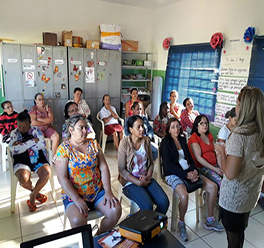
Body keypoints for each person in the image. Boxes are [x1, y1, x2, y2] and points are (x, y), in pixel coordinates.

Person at [55, 114, 121, 234]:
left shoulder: (93, 144)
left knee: (115, 211)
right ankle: (86, 243)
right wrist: (76, 198)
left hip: (96, 191)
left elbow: (104, 167)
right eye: (81, 128)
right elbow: (62, 178)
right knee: (77, 220)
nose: (85, 131)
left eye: (86, 127)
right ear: (71, 130)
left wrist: (108, 191)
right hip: (74, 193)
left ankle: (98, 237)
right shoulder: (63, 149)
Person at [215, 86, 264, 248]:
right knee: (239, 232)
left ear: (244, 108)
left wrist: (221, 151)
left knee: (233, 240)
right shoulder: (260, 132)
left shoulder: (239, 135)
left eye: (237, 104)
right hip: (251, 195)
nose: (235, 108)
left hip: (234, 200)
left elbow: (229, 174)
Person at [118, 115, 169, 215]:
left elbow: (150, 163)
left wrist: (148, 176)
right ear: (131, 129)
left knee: (164, 202)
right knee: (147, 206)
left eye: (142, 126)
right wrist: (138, 182)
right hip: (130, 182)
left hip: (146, 178)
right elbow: (121, 169)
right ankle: (142, 227)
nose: (142, 129)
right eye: (138, 127)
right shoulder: (124, 144)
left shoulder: (146, 141)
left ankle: (153, 225)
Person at [160, 117, 200, 241]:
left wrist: (194, 171)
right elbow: (168, 165)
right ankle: (181, 223)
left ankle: (209, 220)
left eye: (177, 126)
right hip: (172, 174)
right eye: (172, 127)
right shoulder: (165, 142)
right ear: (168, 129)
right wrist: (185, 175)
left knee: (205, 184)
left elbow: (189, 157)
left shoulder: (183, 139)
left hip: (186, 170)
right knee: (184, 196)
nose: (176, 129)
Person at [9, 110, 51, 212]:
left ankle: (33, 195)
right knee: (23, 178)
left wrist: (21, 144)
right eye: (19, 126)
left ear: (29, 123)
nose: (21, 129)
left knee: (46, 173)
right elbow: (14, 149)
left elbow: (42, 144)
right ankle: (35, 191)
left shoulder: (36, 130)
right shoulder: (14, 133)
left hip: (37, 158)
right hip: (21, 160)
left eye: (24, 127)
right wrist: (32, 141)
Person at [188, 114, 222, 189]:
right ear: (197, 126)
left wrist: (220, 167)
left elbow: (216, 152)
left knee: (227, 178)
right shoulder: (194, 138)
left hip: (214, 165)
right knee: (221, 183)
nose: (205, 125)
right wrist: (215, 169)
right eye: (202, 123)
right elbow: (199, 158)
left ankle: (217, 197)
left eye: (206, 123)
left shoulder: (209, 135)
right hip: (203, 168)